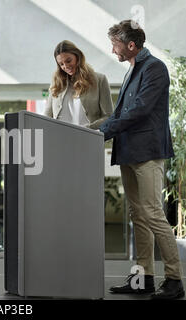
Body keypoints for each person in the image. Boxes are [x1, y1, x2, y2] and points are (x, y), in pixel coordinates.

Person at [100, 20, 184, 300]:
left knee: (153, 213)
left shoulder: (154, 68)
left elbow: (139, 110)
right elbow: (120, 112)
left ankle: (174, 279)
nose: (113, 50)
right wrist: (93, 131)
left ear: (131, 45)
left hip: (147, 152)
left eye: (115, 44)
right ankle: (143, 278)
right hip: (128, 152)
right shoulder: (133, 70)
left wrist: (105, 131)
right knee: (138, 215)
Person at [44, 40, 113, 129]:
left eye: (68, 61)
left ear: (78, 56)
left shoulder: (99, 80)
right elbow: (47, 116)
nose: (66, 66)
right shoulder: (57, 83)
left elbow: (108, 117)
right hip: (59, 139)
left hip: (88, 138)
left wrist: (87, 129)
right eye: (61, 64)